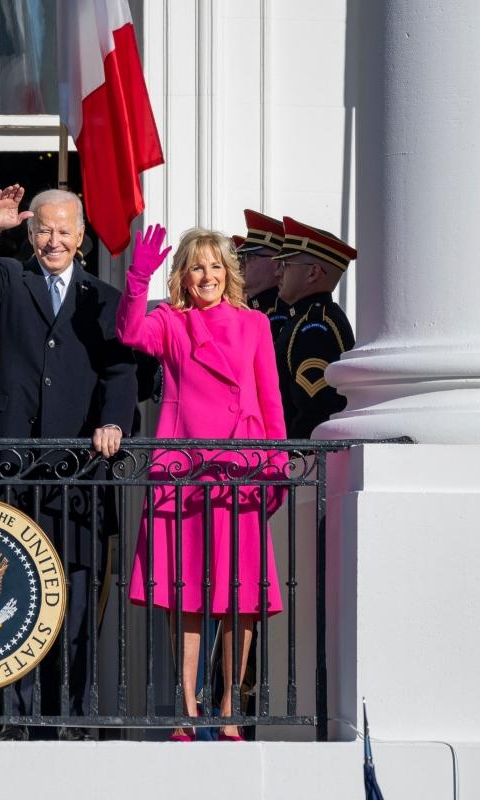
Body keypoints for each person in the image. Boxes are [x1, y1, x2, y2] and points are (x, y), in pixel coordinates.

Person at [0, 184, 137, 741]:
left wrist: (115, 424)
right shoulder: (7, 277)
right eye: (44, 229)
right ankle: (12, 715)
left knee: (73, 594)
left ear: (81, 238)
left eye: (64, 231)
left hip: (76, 470)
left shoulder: (104, 297)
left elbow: (120, 373)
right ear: (31, 235)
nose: (53, 239)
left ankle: (69, 714)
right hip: (6, 464)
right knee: (9, 593)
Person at [116, 224, 286, 741]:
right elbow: (129, 333)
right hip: (185, 470)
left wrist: (275, 464)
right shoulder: (171, 322)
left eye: (216, 266)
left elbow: (270, 395)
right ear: (184, 276)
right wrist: (138, 276)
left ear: (227, 272)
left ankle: (232, 710)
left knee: (241, 597)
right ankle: (187, 710)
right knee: (186, 591)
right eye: (197, 266)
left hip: (240, 469)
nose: (207, 275)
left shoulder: (254, 324)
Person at [271, 216, 357, 438]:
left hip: (305, 465)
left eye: (286, 265)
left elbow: (314, 412)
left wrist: (294, 461)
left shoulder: (315, 327)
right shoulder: (300, 321)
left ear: (313, 272)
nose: (278, 273)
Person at [237, 210, 288, 339]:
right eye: (241, 257)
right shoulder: (253, 310)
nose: (241, 264)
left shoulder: (277, 316)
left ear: (276, 263)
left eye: (249, 256)